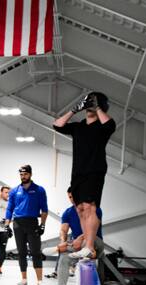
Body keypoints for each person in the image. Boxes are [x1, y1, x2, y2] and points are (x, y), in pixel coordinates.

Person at [52, 91, 115, 260]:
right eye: (88, 103)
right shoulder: (78, 126)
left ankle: (89, 246)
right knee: (80, 209)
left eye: (92, 103)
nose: (89, 106)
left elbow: (110, 126)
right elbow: (57, 125)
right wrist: (74, 109)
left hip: (94, 170)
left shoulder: (103, 126)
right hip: (78, 172)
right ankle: (86, 245)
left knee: (89, 207)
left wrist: (98, 108)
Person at [45, 189, 104, 285]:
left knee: (84, 242)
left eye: (73, 197)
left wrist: (79, 239)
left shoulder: (94, 209)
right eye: (70, 197)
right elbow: (63, 230)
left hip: (95, 242)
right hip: (77, 246)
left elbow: (92, 230)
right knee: (63, 258)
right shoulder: (68, 212)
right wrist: (63, 240)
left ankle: (60, 248)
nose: (72, 200)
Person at [4, 165, 49, 285]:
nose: (23, 177)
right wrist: (6, 226)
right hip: (18, 224)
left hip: (32, 223)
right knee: (21, 252)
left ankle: (40, 281)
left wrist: (43, 225)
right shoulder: (14, 191)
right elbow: (9, 209)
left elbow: (44, 209)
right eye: (21, 175)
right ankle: (24, 279)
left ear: (30, 174)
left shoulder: (39, 190)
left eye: (25, 174)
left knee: (36, 252)